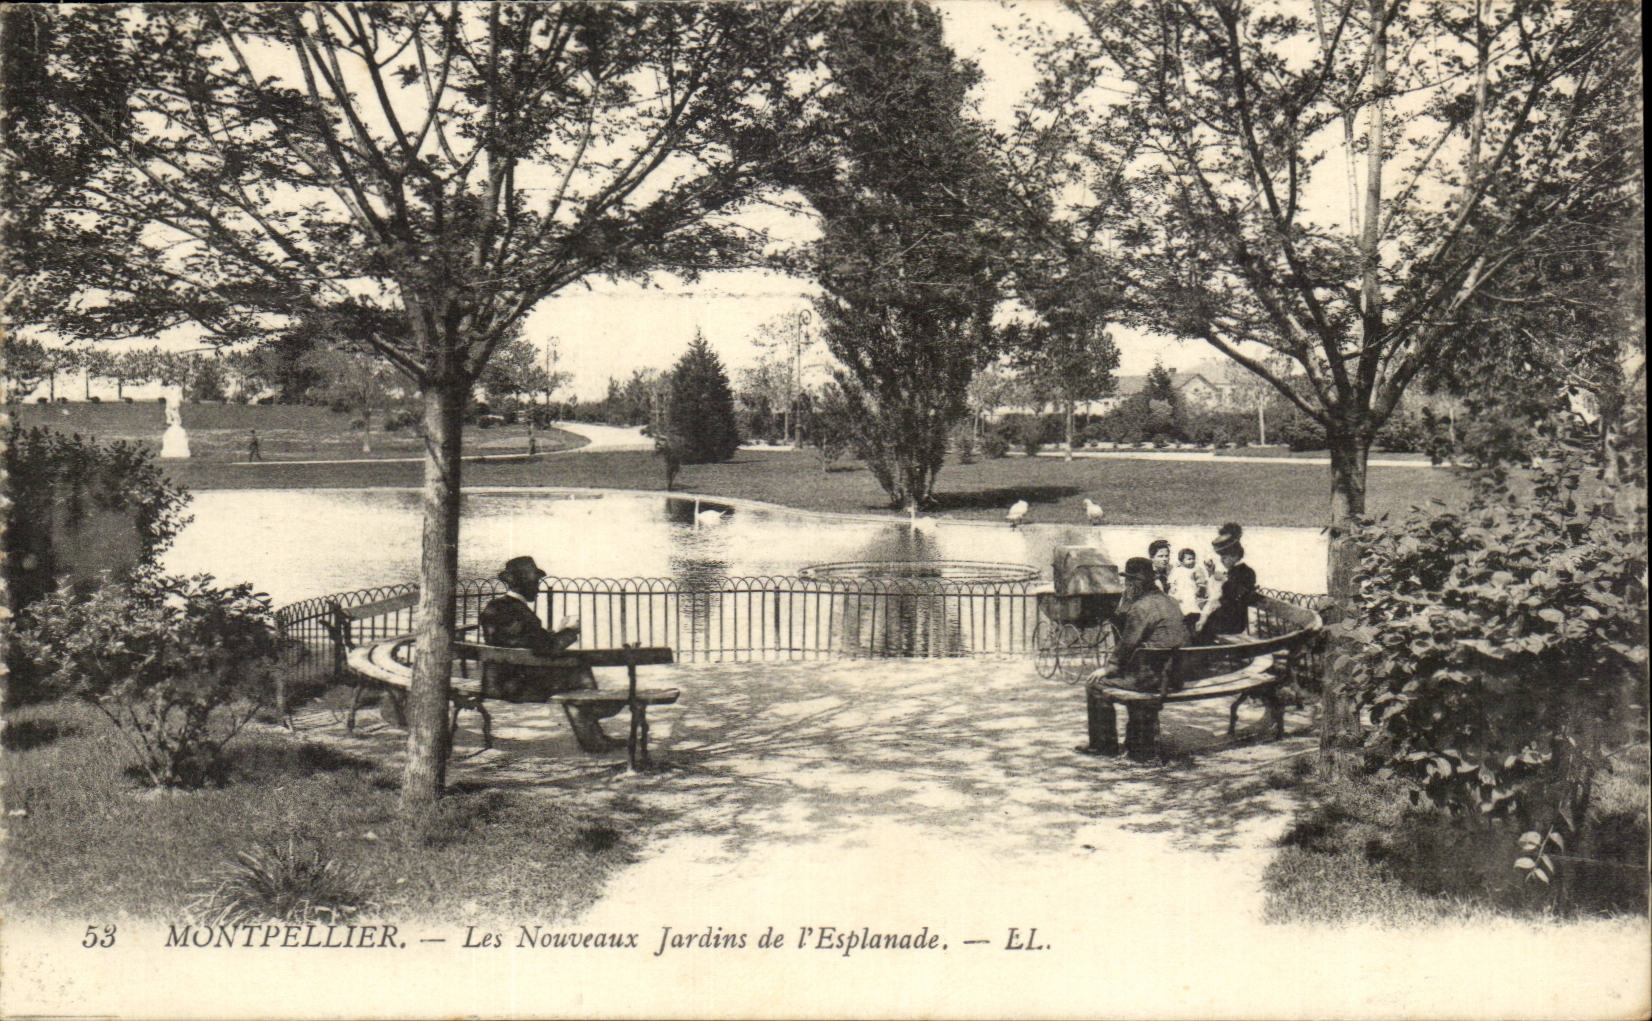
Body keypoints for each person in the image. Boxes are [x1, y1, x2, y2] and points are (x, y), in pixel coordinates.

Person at [477, 556, 594, 702]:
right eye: (535, 583)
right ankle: (593, 712)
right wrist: (571, 631)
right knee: (581, 669)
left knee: (577, 671)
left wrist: (555, 632)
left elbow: (522, 640)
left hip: (494, 683)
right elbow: (547, 648)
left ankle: (586, 713)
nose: (538, 588)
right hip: (519, 686)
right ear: (525, 585)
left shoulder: (493, 606)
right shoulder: (522, 613)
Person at [1100, 556, 1189, 691]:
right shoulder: (1172, 601)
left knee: (1095, 684)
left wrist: (1109, 667)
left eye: (1128, 581)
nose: (1126, 585)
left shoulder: (1141, 607)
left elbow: (1128, 643)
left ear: (1134, 584)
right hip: (1176, 678)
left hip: (1151, 680)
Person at [1195, 534, 1257, 642]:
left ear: (1235, 556)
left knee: (1201, 627)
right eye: (1221, 558)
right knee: (1196, 620)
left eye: (1224, 557)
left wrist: (1224, 580)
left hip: (1234, 621)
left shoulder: (1245, 572)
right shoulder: (1235, 571)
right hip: (1229, 617)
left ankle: (1204, 650)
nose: (1221, 561)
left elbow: (1234, 595)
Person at [1167, 547, 1204, 634]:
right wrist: (1172, 587)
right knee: (1181, 609)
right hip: (1180, 592)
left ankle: (1193, 626)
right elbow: (1172, 581)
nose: (1192, 561)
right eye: (1189, 559)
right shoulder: (1177, 570)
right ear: (1181, 561)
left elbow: (1200, 582)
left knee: (1192, 608)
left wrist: (1199, 589)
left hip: (1190, 591)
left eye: (1193, 559)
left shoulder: (1195, 570)